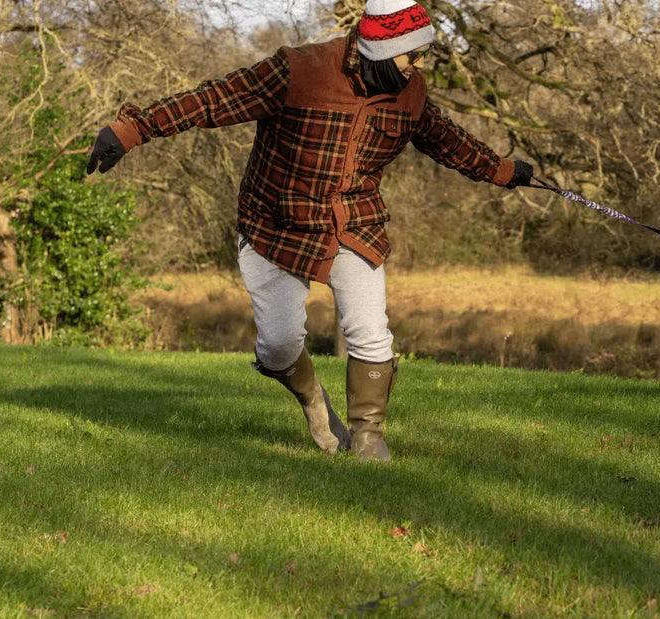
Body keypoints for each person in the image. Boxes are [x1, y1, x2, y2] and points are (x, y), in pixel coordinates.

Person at [86, 0, 535, 461]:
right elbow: (213, 99)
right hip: (276, 225)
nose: (419, 65)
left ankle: (368, 438)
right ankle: (314, 402)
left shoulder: (411, 93)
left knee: (369, 330)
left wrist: (504, 171)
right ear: (385, 50)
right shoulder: (299, 70)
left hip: (353, 223)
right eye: (413, 55)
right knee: (279, 347)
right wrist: (130, 130)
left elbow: (448, 140)